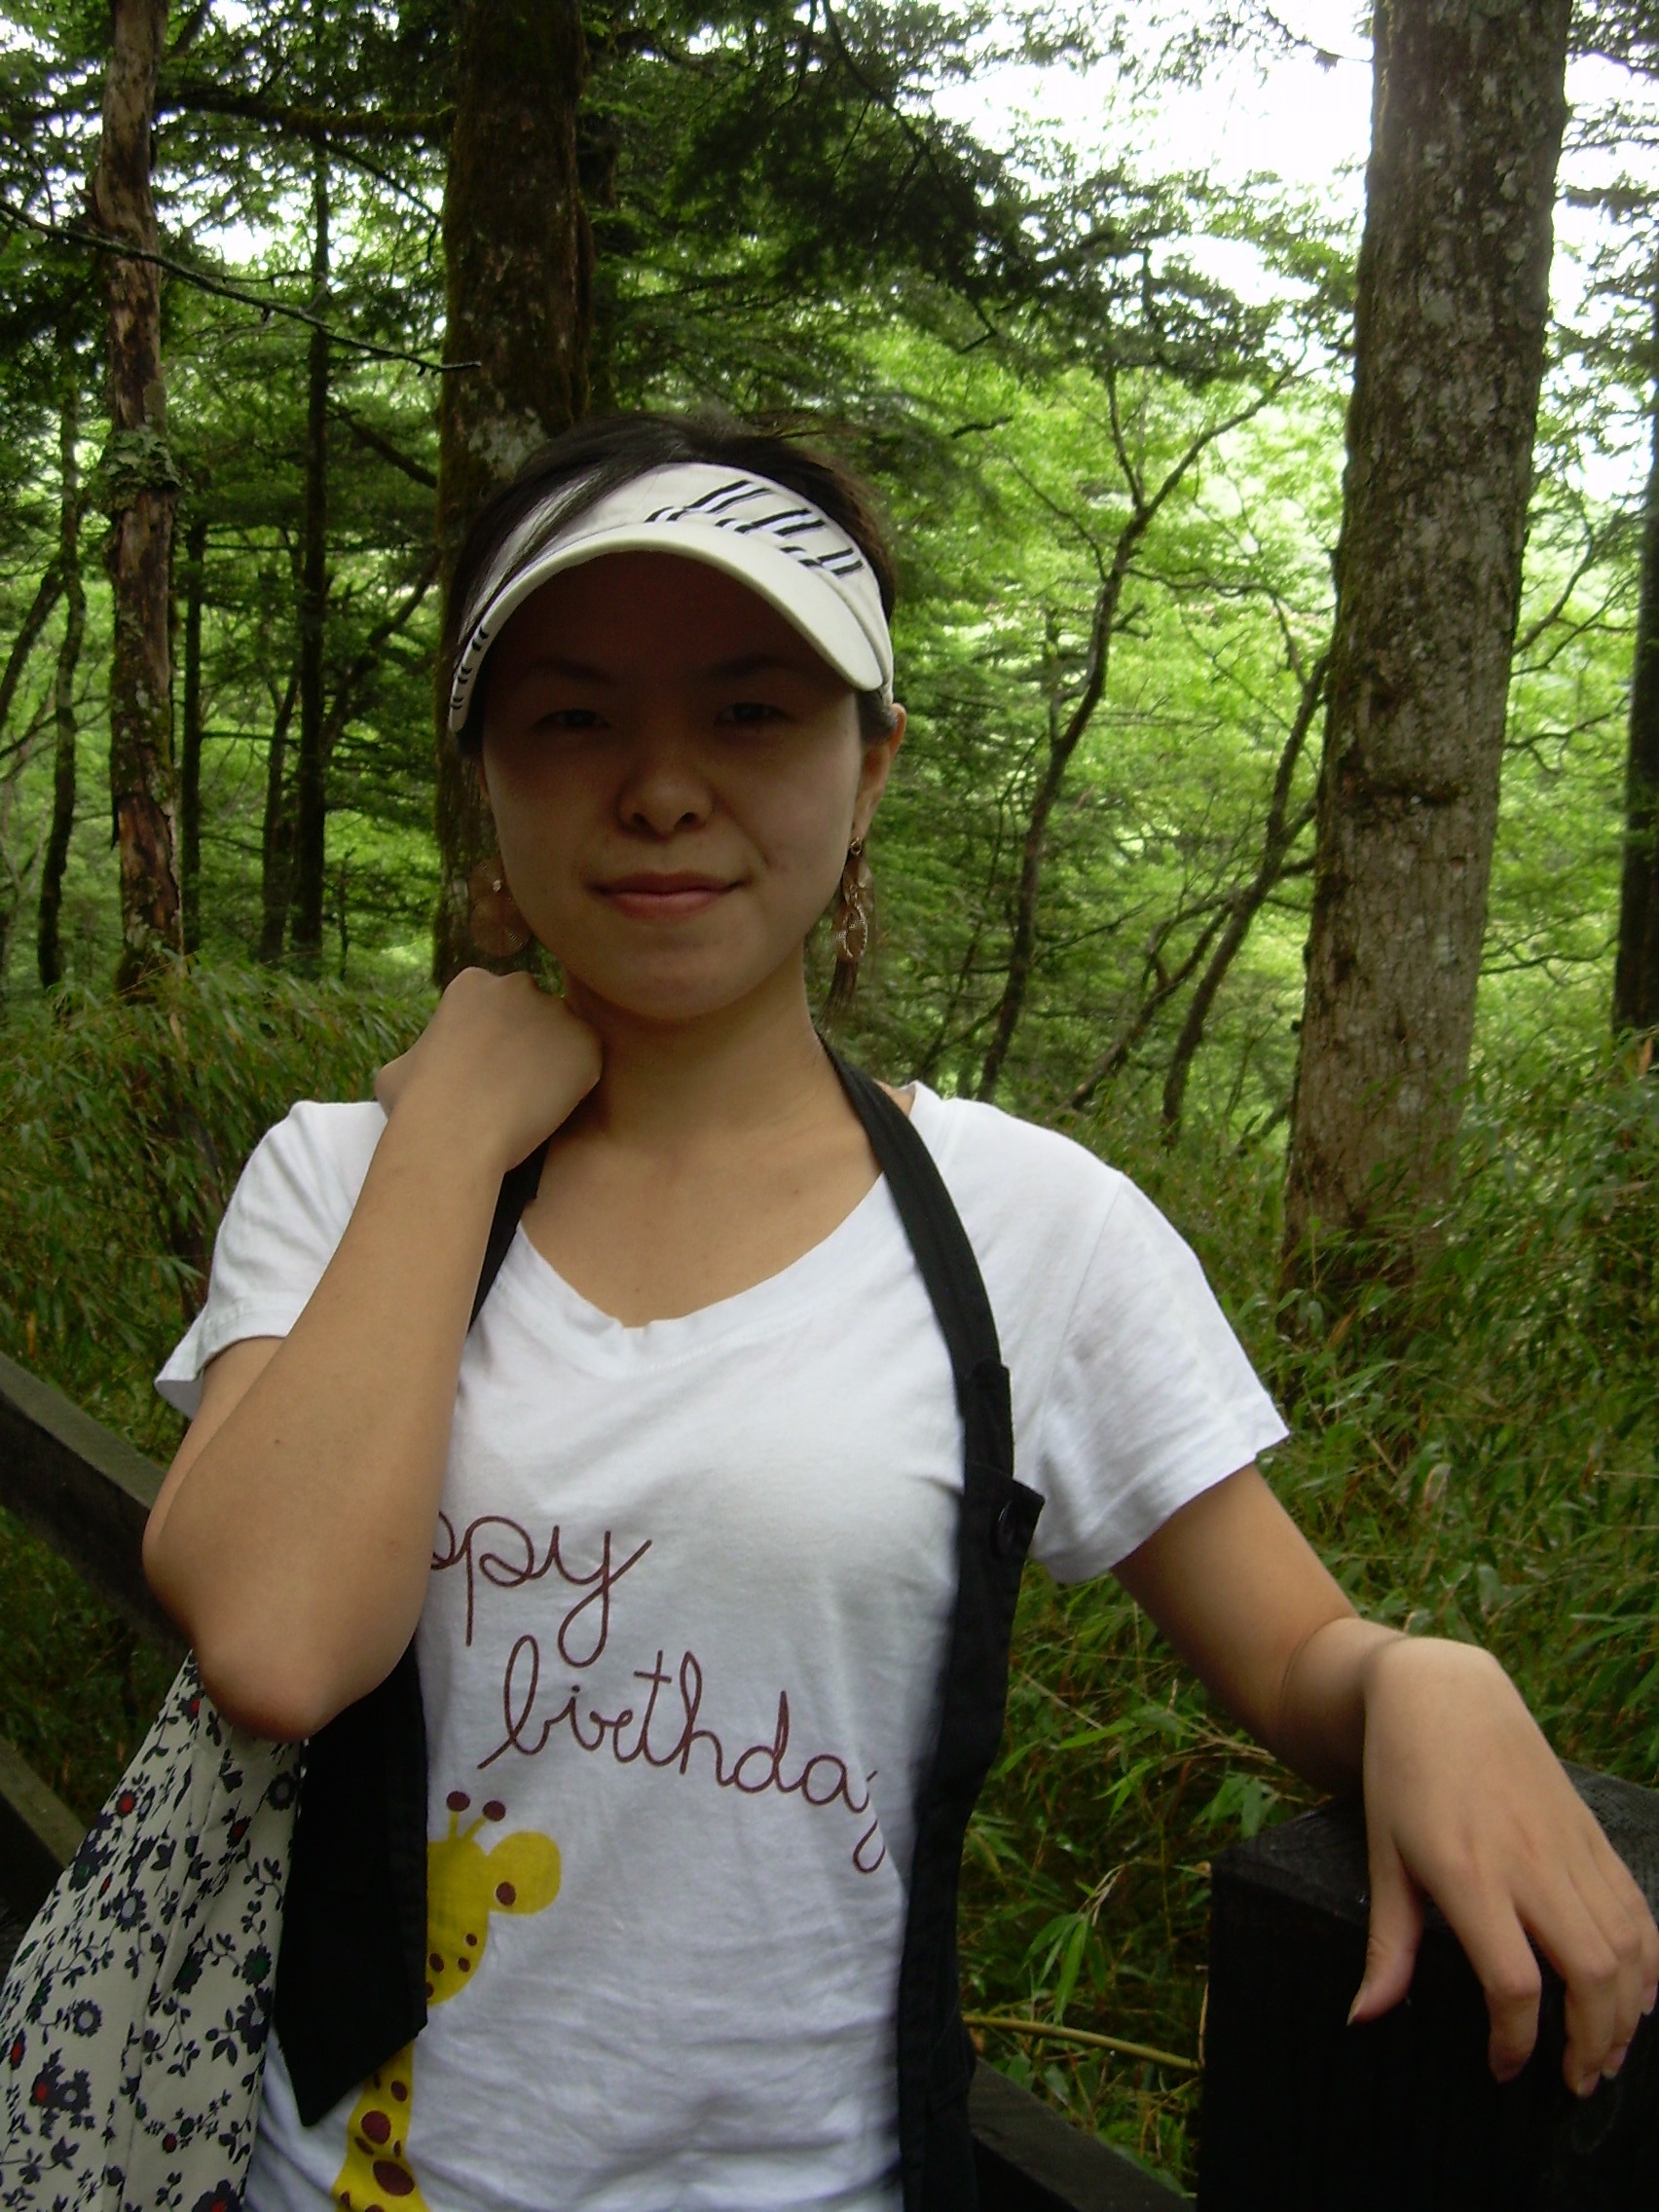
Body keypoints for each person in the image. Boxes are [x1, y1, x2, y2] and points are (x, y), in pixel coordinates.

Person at [142, 412, 1659, 2212]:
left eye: (750, 711)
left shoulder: (1032, 1230)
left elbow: (1294, 1652)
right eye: (570, 718)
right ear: (484, 776)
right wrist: (454, 1132)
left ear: (871, 769)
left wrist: (1424, 1677)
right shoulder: (344, 1182)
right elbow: (274, 1643)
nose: (661, 788)